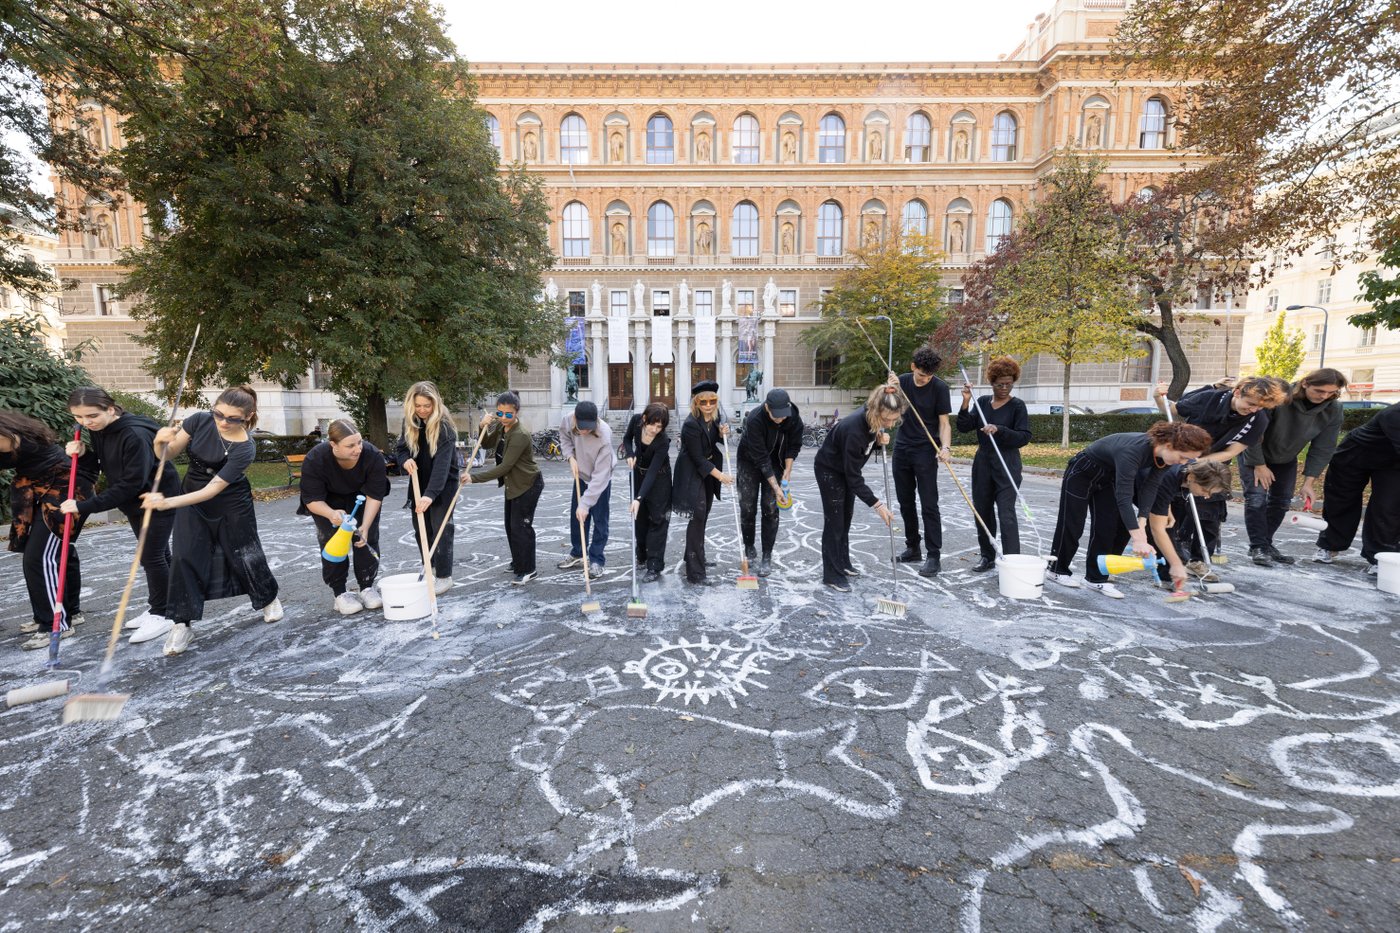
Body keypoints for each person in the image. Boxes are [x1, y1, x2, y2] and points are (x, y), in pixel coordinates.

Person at [142, 386, 282, 656]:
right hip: (191, 492)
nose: (223, 422)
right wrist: (159, 441)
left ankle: (268, 598)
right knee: (184, 556)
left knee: (244, 552)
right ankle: (182, 623)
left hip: (229, 499)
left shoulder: (245, 448)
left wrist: (167, 502)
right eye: (218, 413)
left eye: (233, 418)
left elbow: (213, 490)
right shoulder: (198, 420)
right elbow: (166, 456)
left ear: (248, 416)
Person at [62, 386, 181, 644]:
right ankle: (174, 604)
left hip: (157, 498)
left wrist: (83, 506)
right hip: (135, 502)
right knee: (158, 554)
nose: (85, 422)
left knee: (150, 556)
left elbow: (131, 482)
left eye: (92, 416)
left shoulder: (134, 434)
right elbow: (108, 465)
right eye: (79, 417)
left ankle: (163, 613)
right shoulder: (102, 431)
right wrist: (84, 455)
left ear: (111, 409)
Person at [1046, 422, 1212, 598]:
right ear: (1169, 446)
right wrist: (1138, 538)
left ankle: (1095, 579)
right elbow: (1124, 497)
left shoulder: (1165, 457)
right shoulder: (1133, 451)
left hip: (1109, 477)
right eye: (1183, 457)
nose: (1184, 463)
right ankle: (1057, 570)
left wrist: (1141, 523)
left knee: (1106, 528)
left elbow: (1150, 487)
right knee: (1072, 523)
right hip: (1083, 472)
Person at [1156, 376, 1288, 576]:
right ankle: (1170, 559)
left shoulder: (1259, 419)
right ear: (1237, 393)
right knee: (1176, 510)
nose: (1253, 410)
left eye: (1259, 407)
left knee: (1210, 514)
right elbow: (1173, 410)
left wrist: (1198, 463)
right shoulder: (1209, 398)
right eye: (1250, 404)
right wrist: (1158, 397)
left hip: (1213, 466)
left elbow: (1231, 452)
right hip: (1181, 457)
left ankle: (1198, 560)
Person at [0, 410, 95, 650]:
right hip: (46, 488)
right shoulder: (15, 434)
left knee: (39, 557)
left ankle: (55, 624)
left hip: (66, 489)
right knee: (60, 551)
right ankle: (70, 612)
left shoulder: (11, 439)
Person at [1239, 369, 1345, 566]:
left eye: (1331, 393)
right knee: (1256, 497)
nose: (1324, 396)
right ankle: (1258, 547)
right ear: (1305, 383)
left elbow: (1323, 447)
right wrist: (1259, 465)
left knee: (1281, 501)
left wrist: (1309, 482)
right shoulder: (1280, 396)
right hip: (1254, 451)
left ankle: (1265, 543)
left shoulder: (1333, 409)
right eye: (1320, 391)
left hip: (1285, 458)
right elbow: (1253, 430)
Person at [814, 385, 904, 592]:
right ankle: (832, 575)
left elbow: (864, 449)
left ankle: (843, 563)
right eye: (886, 419)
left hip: (844, 470)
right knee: (834, 522)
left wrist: (879, 440)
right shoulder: (854, 428)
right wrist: (877, 504)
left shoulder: (873, 419)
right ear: (875, 411)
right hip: (830, 471)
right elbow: (854, 476)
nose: (889, 424)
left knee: (845, 518)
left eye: (893, 420)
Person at [298, 418, 388, 614]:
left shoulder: (371, 455)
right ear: (333, 445)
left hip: (362, 497)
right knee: (333, 542)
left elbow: (375, 494)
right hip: (326, 501)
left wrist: (365, 525)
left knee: (366, 537)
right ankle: (340, 593)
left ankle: (367, 587)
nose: (357, 449)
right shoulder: (316, 459)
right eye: (350, 446)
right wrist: (331, 514)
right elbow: (311, 498)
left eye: (359, 442)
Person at [956, 358, 1032, 572]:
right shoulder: (981, 403)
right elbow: (963, 427)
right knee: (983, 510)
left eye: (1009, 383)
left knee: (1006, 512)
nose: (1004, 388)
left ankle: (1011, 561)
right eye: (1000, 384)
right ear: (992, 382)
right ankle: (987, 556)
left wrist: (1000, 429)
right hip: (983, 462)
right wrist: (965, 401)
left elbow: (1024, 437)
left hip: (1007, 461)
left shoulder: (1017, 406)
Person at [463, 391, 544, 585]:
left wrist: (473, 478)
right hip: (513, 484)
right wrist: (483, 425)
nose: (504, 417)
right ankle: (518, 560)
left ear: (517, 413)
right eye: (500, 413)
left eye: (509, 414)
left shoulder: (520, 435)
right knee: (510, 526)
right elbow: (487, 443)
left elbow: (504, 467)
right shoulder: (501, 425)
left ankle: (528, 569)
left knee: (521, 527)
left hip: (527, 484)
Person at [1314, 401, 1400, 573]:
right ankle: (1329, 545)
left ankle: (1379, 557)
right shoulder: (1394, 414)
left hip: (1392, 463)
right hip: (1354, 454)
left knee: (1388, 507)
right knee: (1341, 500)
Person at [890, 346, 953, 577]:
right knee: (905, 501)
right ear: (913, 367)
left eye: (929, 376)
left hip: (926, 451)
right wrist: (893, 390)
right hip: (902, 448)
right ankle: (912, 547)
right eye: (921, 375)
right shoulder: (903, 382)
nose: (925, 379)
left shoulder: (939, 388)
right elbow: (891, 410)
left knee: (929, 503)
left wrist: (945, 447)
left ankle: (933, 555)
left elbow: (944, 423)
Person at [394, 381, 459, 595]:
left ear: (435, 404)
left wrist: (430, 495)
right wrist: (404, 461)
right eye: (418, 405)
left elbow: (442, 468)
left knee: (441, 529)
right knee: (421, 528)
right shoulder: (411, 422)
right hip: (418, 483)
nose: (422, 410)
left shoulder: (445, 427)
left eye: (427, 406)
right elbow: (401, 449)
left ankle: (444, 575)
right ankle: (429, 567)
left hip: (442, 487)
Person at [672, 381, 734, 585]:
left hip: (706, 473)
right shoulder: (691, 424)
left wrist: (723, 432)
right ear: (696, 403)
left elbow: (713, 437)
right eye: (703, 402)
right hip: (692, 474)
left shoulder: (713, 420)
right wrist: (721, 476)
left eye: (712, 401)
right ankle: (695, 572)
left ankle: (695, 555)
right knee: (697, 518)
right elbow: (697, 458)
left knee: (703, 514)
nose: (708, 405)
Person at [736, 388, 803, 576]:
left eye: (783, 416)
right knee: (748, 506)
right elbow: (761, 459)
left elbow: (794, 446)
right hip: (750, 460)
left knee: (770, 508)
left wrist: (787, 472)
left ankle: (767, 555)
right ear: (767, 407)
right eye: (776, 416)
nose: (781, 420)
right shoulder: (755, 419)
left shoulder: (793, 416)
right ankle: (749, 546)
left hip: (777, 461)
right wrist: (776, 486)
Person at [1147, 460, 1233, 592]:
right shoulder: (1170, 476)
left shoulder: (1186, 475)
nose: (1206, 497)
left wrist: (1166, 508)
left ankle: (1166, 575)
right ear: (1191, 478)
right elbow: (1156, 529)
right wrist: (1176, 564)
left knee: (1167, 525)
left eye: (1211, 494)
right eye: (1205, 490)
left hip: (1152, 486)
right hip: (1121, 480)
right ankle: (1105, 566)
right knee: (1126, 526)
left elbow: (1163, 496)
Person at [558, 400, 614, 579]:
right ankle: (578, 552)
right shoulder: (568, 420)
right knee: (578, 518)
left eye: (589, 428)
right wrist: (570, 457)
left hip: (600, 480)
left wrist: (586, 503)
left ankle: (597, 559)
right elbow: (564, 437)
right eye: (582, 427)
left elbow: (600, 477)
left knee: (600, 520)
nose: (584, 432)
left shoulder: (604, 434)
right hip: (580, 476)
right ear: (575, 418)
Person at [623, 402, 673, 583]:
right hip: (638, 473)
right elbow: (627, 438)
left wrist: (638, 498)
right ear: (645, 419)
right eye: (652, 424)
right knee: (640, 518)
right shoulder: (636, 421)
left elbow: (652, 473)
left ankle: (654, 565)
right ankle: (642, 554)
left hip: (659, 479)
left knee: (658, 520)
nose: (654, 429)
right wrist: (629, 454)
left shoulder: (662, 442)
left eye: (659, 426)